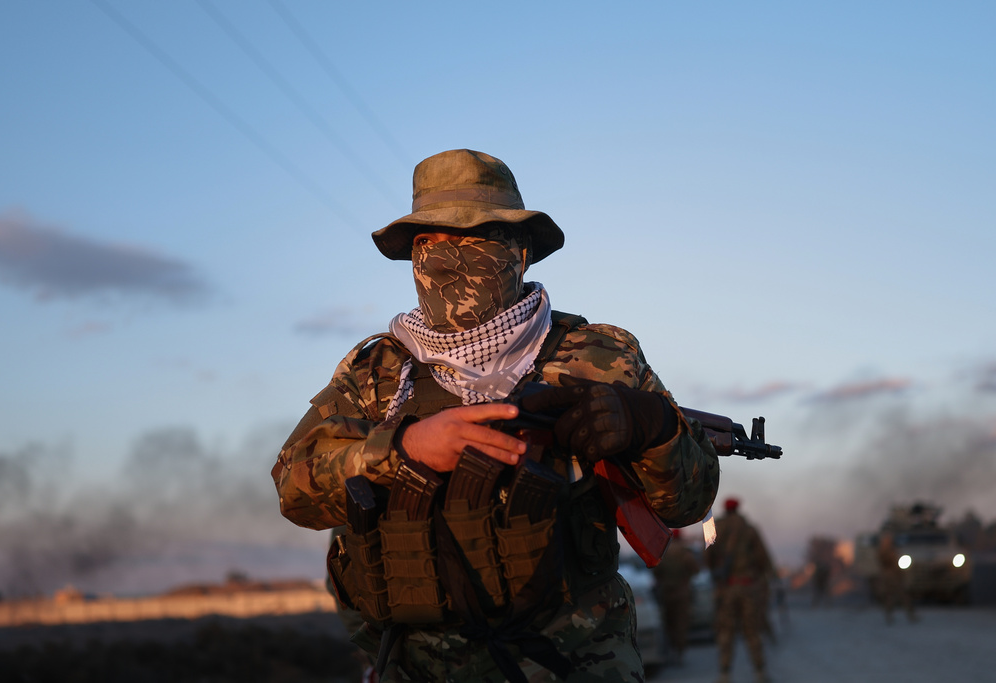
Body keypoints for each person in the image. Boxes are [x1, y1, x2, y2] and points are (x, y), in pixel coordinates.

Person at [271, 149, 720, 683]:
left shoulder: (601, 356)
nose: (445, 255)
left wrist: (653, 429)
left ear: (520, 252)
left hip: (570, 664)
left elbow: (687, 504)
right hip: (414, 668)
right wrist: (404, 448)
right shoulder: (377, 372)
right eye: (427, 241)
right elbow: (293, 488)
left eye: (474, 235)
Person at [705, 497, 772, 683]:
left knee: (726, 631)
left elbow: (708, 558)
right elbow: (763, 558)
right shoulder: (749, 529)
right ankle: (760, 672)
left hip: (726, 589)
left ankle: (724, 674)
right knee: (752, 630)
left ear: (725, 510)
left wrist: (717, 573)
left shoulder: (713, 527)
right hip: (748, 586)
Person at [652, 528, 700, 665]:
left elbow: (656, 572)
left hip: (666, 593)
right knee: (681, 623)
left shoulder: (662, 552)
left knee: (669, 622)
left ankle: (672, 649)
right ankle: (679, 651)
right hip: (682, 593)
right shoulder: (685, 552)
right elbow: (695, 570)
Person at [876, 531, 918, 624]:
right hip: (891, 577)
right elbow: (886, 562)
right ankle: (893, 616)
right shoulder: (885, 551)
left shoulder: (891, 550)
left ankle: (898, 616)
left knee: (899, 597)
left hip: (894, 576)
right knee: (897, 597)